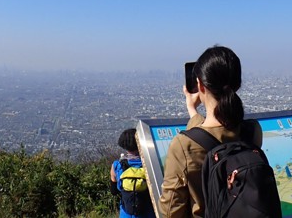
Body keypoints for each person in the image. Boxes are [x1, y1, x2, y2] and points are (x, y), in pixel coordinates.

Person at [159, 46, 263, 218]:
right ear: (237, 83)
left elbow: (171, 211)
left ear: (199, 84)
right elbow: (217, 132)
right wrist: (192, 110)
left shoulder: (183, 146)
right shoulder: (252, 131)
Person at [111, 128, 155, 218]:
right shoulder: (150, 164)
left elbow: (114, 191)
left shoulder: (117, 165)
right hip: (149, 213)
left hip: (126, 213)